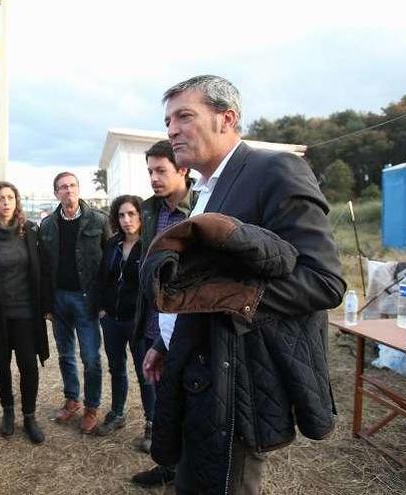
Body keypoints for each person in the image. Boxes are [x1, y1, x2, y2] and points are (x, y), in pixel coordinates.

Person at [142, 75, 345, 494]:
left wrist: (239, 298)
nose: (172, 130)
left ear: (226, 118)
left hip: (237, 385)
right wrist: (166, 343)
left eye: (184, 116)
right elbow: (199, 284)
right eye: (167, 121)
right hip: (196, 368)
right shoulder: (203, 190)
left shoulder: (274, 170)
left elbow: (324, 281)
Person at [130, 140, 193, 487]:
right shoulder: (149, 209)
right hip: (152, 319)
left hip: (186, 321)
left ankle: (186, 475)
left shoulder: (201, 205)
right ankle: (167, 467)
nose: (154, 178)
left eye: (160, 171)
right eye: (150, 171)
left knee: (188, 404)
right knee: (161, 401)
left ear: (182, 168)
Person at [0, 181, 49, 444]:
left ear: (17, 202)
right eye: (0, 198)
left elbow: (40, 271)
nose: (6, 202)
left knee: (28, 365)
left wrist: (46, 306)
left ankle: (29, 416)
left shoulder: (29, 231)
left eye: (10, 197)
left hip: (26, 312)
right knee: (1, 365)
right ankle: (8, 411)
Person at [38, 172, 110, 433]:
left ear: (78, 189)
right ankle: (72, 400)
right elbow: (43, 269)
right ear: (56, 193)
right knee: (66, 354)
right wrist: (47, 305)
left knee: (91, 357)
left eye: (72, 186)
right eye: (62, 187)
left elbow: (109, 264)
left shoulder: (99, 221)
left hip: (86, 299)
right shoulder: (47, 226)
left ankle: (92, 406)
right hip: (59, 299)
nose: (68, 191)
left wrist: (104, 300)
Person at [94, 195, 153, 437]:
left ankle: (152, 423)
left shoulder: (151, 245)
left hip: (138, 322)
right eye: (121, 215)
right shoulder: (112, 243)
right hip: (112, 320)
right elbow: (103, 278)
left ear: (141, 216)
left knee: (145, 372)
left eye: (131, 214)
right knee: (116, 369)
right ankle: (117, 413)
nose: (126, 220)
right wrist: (102, 309)